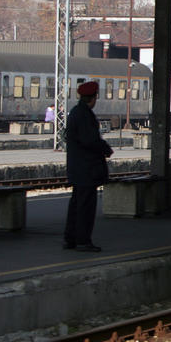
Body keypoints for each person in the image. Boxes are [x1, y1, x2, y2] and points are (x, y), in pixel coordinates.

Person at [63, 81, 113, 252]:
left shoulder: (76, 113)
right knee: (85, 207)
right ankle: (82, 240)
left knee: (76, 204)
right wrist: (105, 148)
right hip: (86, 169)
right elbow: (89, 140)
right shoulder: (84, 115)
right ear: (93, 98)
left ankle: (71, 238)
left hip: (78, 167)